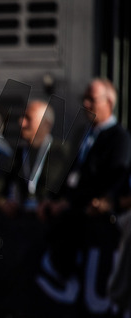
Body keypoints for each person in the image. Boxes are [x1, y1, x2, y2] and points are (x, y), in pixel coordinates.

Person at [38, 78, 131, 277]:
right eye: (84, 98)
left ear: (109, 102)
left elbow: (112, 181)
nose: (86, 104)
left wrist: (73, 203)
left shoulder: (119, 137)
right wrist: (53, 199)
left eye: (92, 99)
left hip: (90, 215)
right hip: (71, 206)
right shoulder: (82, 133)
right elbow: (69, 171)